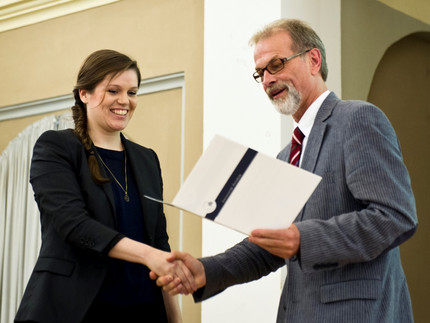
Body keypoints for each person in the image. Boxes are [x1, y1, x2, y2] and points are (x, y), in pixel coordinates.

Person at [152, 19, 418, 322]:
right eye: (260, 72)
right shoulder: (285, 156)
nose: (267, 79)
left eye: (276, 65)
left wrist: (303, 239)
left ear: (313, 60)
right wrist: (207, 270)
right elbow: (272, 245)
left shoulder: (358, 120)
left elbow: (395, 217)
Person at [14, 49, 195, 323]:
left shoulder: (147, 158)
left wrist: (175, 317)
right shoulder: (56, 147)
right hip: (76, 309)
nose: (125, 101)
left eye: (132, 93)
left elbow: (159, 240)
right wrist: (148, 255)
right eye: (113, 90)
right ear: (84, 94)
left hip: (143, 309)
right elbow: (73, 224)